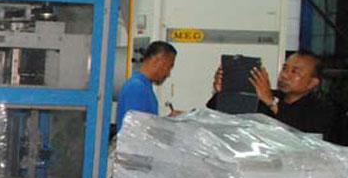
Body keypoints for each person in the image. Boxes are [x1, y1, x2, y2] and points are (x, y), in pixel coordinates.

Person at [207, 51, 338, 138]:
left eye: (294, 72)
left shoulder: (323, 108)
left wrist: (271, 102)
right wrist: (223, 92)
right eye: (285, 68)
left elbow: (301, 136)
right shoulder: (265, 96)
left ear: (312, 83)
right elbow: (224, 117)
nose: (285, 75)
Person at [115, 40, 178, 133]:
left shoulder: (144, 87)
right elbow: (137, 131)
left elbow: (147, 125)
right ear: (156, 61)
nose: (168, 74)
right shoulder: (137, 88)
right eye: (169, 67)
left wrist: (169, 121)